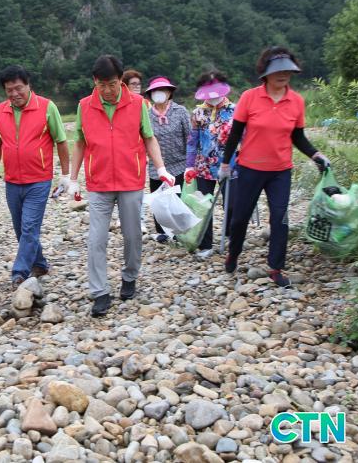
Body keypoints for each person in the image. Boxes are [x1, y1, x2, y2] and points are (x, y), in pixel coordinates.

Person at [68, 55, 174, 317]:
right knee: (96, 239)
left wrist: (161, 169)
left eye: (112, 84)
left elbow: (149, 138)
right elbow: (80, 143)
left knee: (132, 234)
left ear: (121, 81)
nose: (107, 90)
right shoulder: (84, 106)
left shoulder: (138, 104)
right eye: (102, 85)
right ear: (95, 82)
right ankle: (99, 291)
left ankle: (130, 276)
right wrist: (72, 178)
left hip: (130, 180)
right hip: (99, 182)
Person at [220, 47, 330, 287]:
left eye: (287, 71)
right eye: (278, 71)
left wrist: (316, 155)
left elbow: (298, 137)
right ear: (266, 73)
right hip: (249, 169)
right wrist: (225, 164)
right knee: (239, 218)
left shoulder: (296, 101)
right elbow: (235, 133)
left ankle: (276, 267)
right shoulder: (250, 97)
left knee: (280, 219)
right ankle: (234, 253)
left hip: (280, 171)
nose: (283, 75)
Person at [0, 65, 70, 287]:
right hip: (12, 181)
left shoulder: (47, 107)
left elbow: (61, 141)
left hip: (39, 180)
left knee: (29, 227)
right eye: (9, 90)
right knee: (20, 229)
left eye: (18, 88)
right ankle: (40, 264)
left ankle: (19, 272)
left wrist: (65, 175)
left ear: (28, 85)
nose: (14, 94)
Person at [185, 70, 237, 258]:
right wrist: (189, 165)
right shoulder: (198, 113)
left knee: (232, 203)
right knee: (204, 205)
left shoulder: (235, 111)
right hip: (204, 166)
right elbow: (192, 142)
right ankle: (205, 245)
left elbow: (244, 138)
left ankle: (231, 234)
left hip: (230, 165)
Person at [143, 75, 191, 241]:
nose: (159, 93)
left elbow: (189, 137)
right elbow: (144, 138)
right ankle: (162, 232)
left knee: (177, 200)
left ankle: (179, 232)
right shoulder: (146, 115)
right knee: (158, 200)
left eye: (163, 90)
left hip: (179, 163)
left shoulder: (180, 111)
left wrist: (191, 163)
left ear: (169, 93)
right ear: (150, 94)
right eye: (155, 91)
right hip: (156, 167)